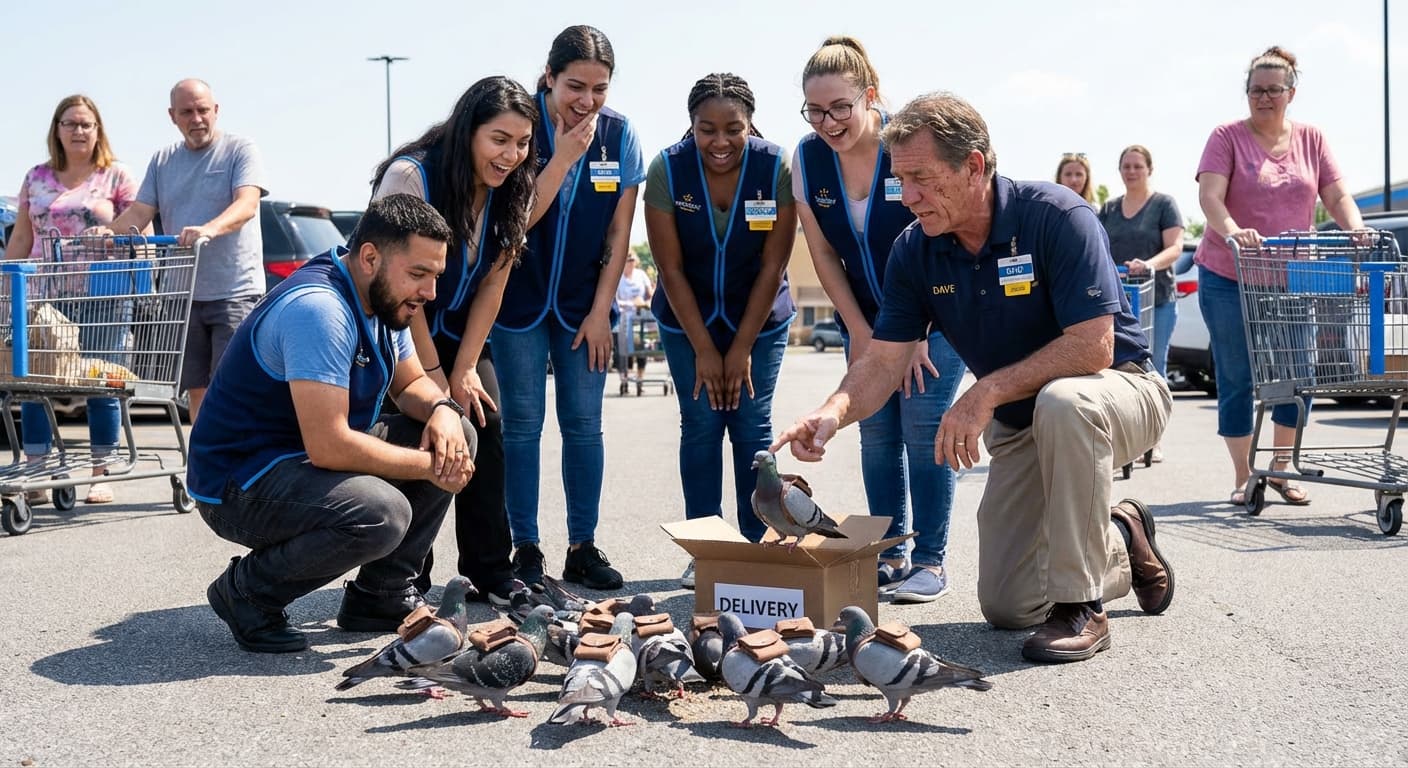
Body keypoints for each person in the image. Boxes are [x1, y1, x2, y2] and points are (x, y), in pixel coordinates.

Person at [773, 92, 1174, 664]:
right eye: (900, 180)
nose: (908, 196)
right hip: (1025, 420)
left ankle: (1083, 606)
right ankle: (1121, 532)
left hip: (1119, 392)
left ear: (974, 165)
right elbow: (884, 361)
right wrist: (831, 412)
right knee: (1009, 605)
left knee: (1064, 402)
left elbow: (1094, 347)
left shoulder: (1056, 216)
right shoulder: (915, 250)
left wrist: (985, 391)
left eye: (921, 179)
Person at [188, 194, 474, 653]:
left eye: (435, 276)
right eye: (418, 274)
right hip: (239, 483)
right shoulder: (320, 310)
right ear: (370, 258)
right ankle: (247, 592)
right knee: (382, 514)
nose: (430, 292)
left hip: (297, 457)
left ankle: (381, 594)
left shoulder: (383, 298)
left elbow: (410, 384)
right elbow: (330, 446)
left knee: (457, 438)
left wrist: (445, 411)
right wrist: (431, 468)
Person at [792, 37, 966, 603]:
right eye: (815, 111)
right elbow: (823, 254)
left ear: (869, 97)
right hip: (867, 318)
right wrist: (861, 332)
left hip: (936, 315)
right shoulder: (807, 159)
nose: (828, 123)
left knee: (923, 425)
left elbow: (946, 232)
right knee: (875, 432)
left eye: (840, 107)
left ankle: (930, 559)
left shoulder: (909, 143)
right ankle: (889, 552)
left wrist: (915, 332)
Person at [369, 75, 538, 606]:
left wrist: (463, 369)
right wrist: (435, 380)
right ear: (468, 131)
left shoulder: (515, 185)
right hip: (399, 328)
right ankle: (402, 578)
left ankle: (491, 571)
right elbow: (403, 290)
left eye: (523, 142)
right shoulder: (411, 175)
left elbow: (494, 284)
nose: (511, 155)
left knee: (486, 421)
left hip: (461, 335)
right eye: (499, 139)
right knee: (423, 428)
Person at [496, 25, 644, 592]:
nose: (587, 100)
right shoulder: (521, 125)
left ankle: (582, 546)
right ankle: (525, 548)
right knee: (522, 426)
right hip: (517, 303)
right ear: (550, 78)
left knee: (584, 425)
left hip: (584, 308)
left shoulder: (620, 135)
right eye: (575, 86)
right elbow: (515, 222)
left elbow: (619, 232)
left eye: (599, 89)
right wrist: (560, 158)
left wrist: (602, 311)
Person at [1194, 46, 1364, 507]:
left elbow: (1336, 195)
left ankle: (1282, 468)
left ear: (1291, 92)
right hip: (1230, 274)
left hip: (1291, 276)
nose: (1263, 98)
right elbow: (1210, 197)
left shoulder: (1312, 138)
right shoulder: (1226, 136)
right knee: (1237, 375)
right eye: (1255, 90)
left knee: (1298, 373)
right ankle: (1245, 474)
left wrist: (1356, 229)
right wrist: (1232, 230)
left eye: (1272, 90)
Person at [645, 72, 796, 586]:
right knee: (702, 424)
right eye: (706, 129)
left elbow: (774, 264)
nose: (720, 142)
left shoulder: (775, 166)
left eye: (734, 129)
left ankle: (759, 544)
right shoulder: (667, 168)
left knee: (752, 425)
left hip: (761, 318)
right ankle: (708, 547)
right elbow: (670, 269)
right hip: (687, 319)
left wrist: (742, 347)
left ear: (750, 124)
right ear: (691, 125)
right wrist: (707, 351)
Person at [102, 78, 266, 425]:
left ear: (216, 110)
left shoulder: (239, 149)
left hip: (233, 291)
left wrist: (209, 229)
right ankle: (204, 457)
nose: (197, 119)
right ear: (172, 116)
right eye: (187, 112)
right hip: (183, 293)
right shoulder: (163, 160)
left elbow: (247, 204)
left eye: (203, 110)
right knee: (197, 390)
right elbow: (140, 212)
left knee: (231, 386)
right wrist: (107, 233)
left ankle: (233, 456)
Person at [7, 95, 144, 505]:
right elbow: (21, 236)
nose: (78, 131)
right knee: (35, 383)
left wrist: (114, 237)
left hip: (103, 294)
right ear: (57, 129)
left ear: (98, 130)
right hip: (45, 295)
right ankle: (36, 472)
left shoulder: (116, 175)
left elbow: (141, 229)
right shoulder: (36, 177)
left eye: (86, 124)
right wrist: (6, 284)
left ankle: (101, 473)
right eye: (70, 123)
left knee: (101, 381)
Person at [1098, 145, 1184, 463]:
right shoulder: (1109, 209)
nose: (1131, 171)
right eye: (1126, 166)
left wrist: (1148, 265)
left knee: (1152, 368)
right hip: (1119, 303)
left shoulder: (1164, 205)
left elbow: (1175, 248)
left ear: (1149, 169)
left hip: (1155, 299)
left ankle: (1153, 439)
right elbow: (1096, 246)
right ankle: (1124, 439)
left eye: (1137, 166)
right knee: (1116, 370)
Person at [614, 252, 654, 393]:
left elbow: (650, 294)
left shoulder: (641, 275)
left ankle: (640, 378)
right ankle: (624, 379)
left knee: (641, 349)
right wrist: (628, 303)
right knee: (621, 351)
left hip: (640, 318)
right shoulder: (618, 276)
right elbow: (614, 298)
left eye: (632, 260)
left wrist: (646, 303)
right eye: (627, 260)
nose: (630, 262)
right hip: (622, 318)